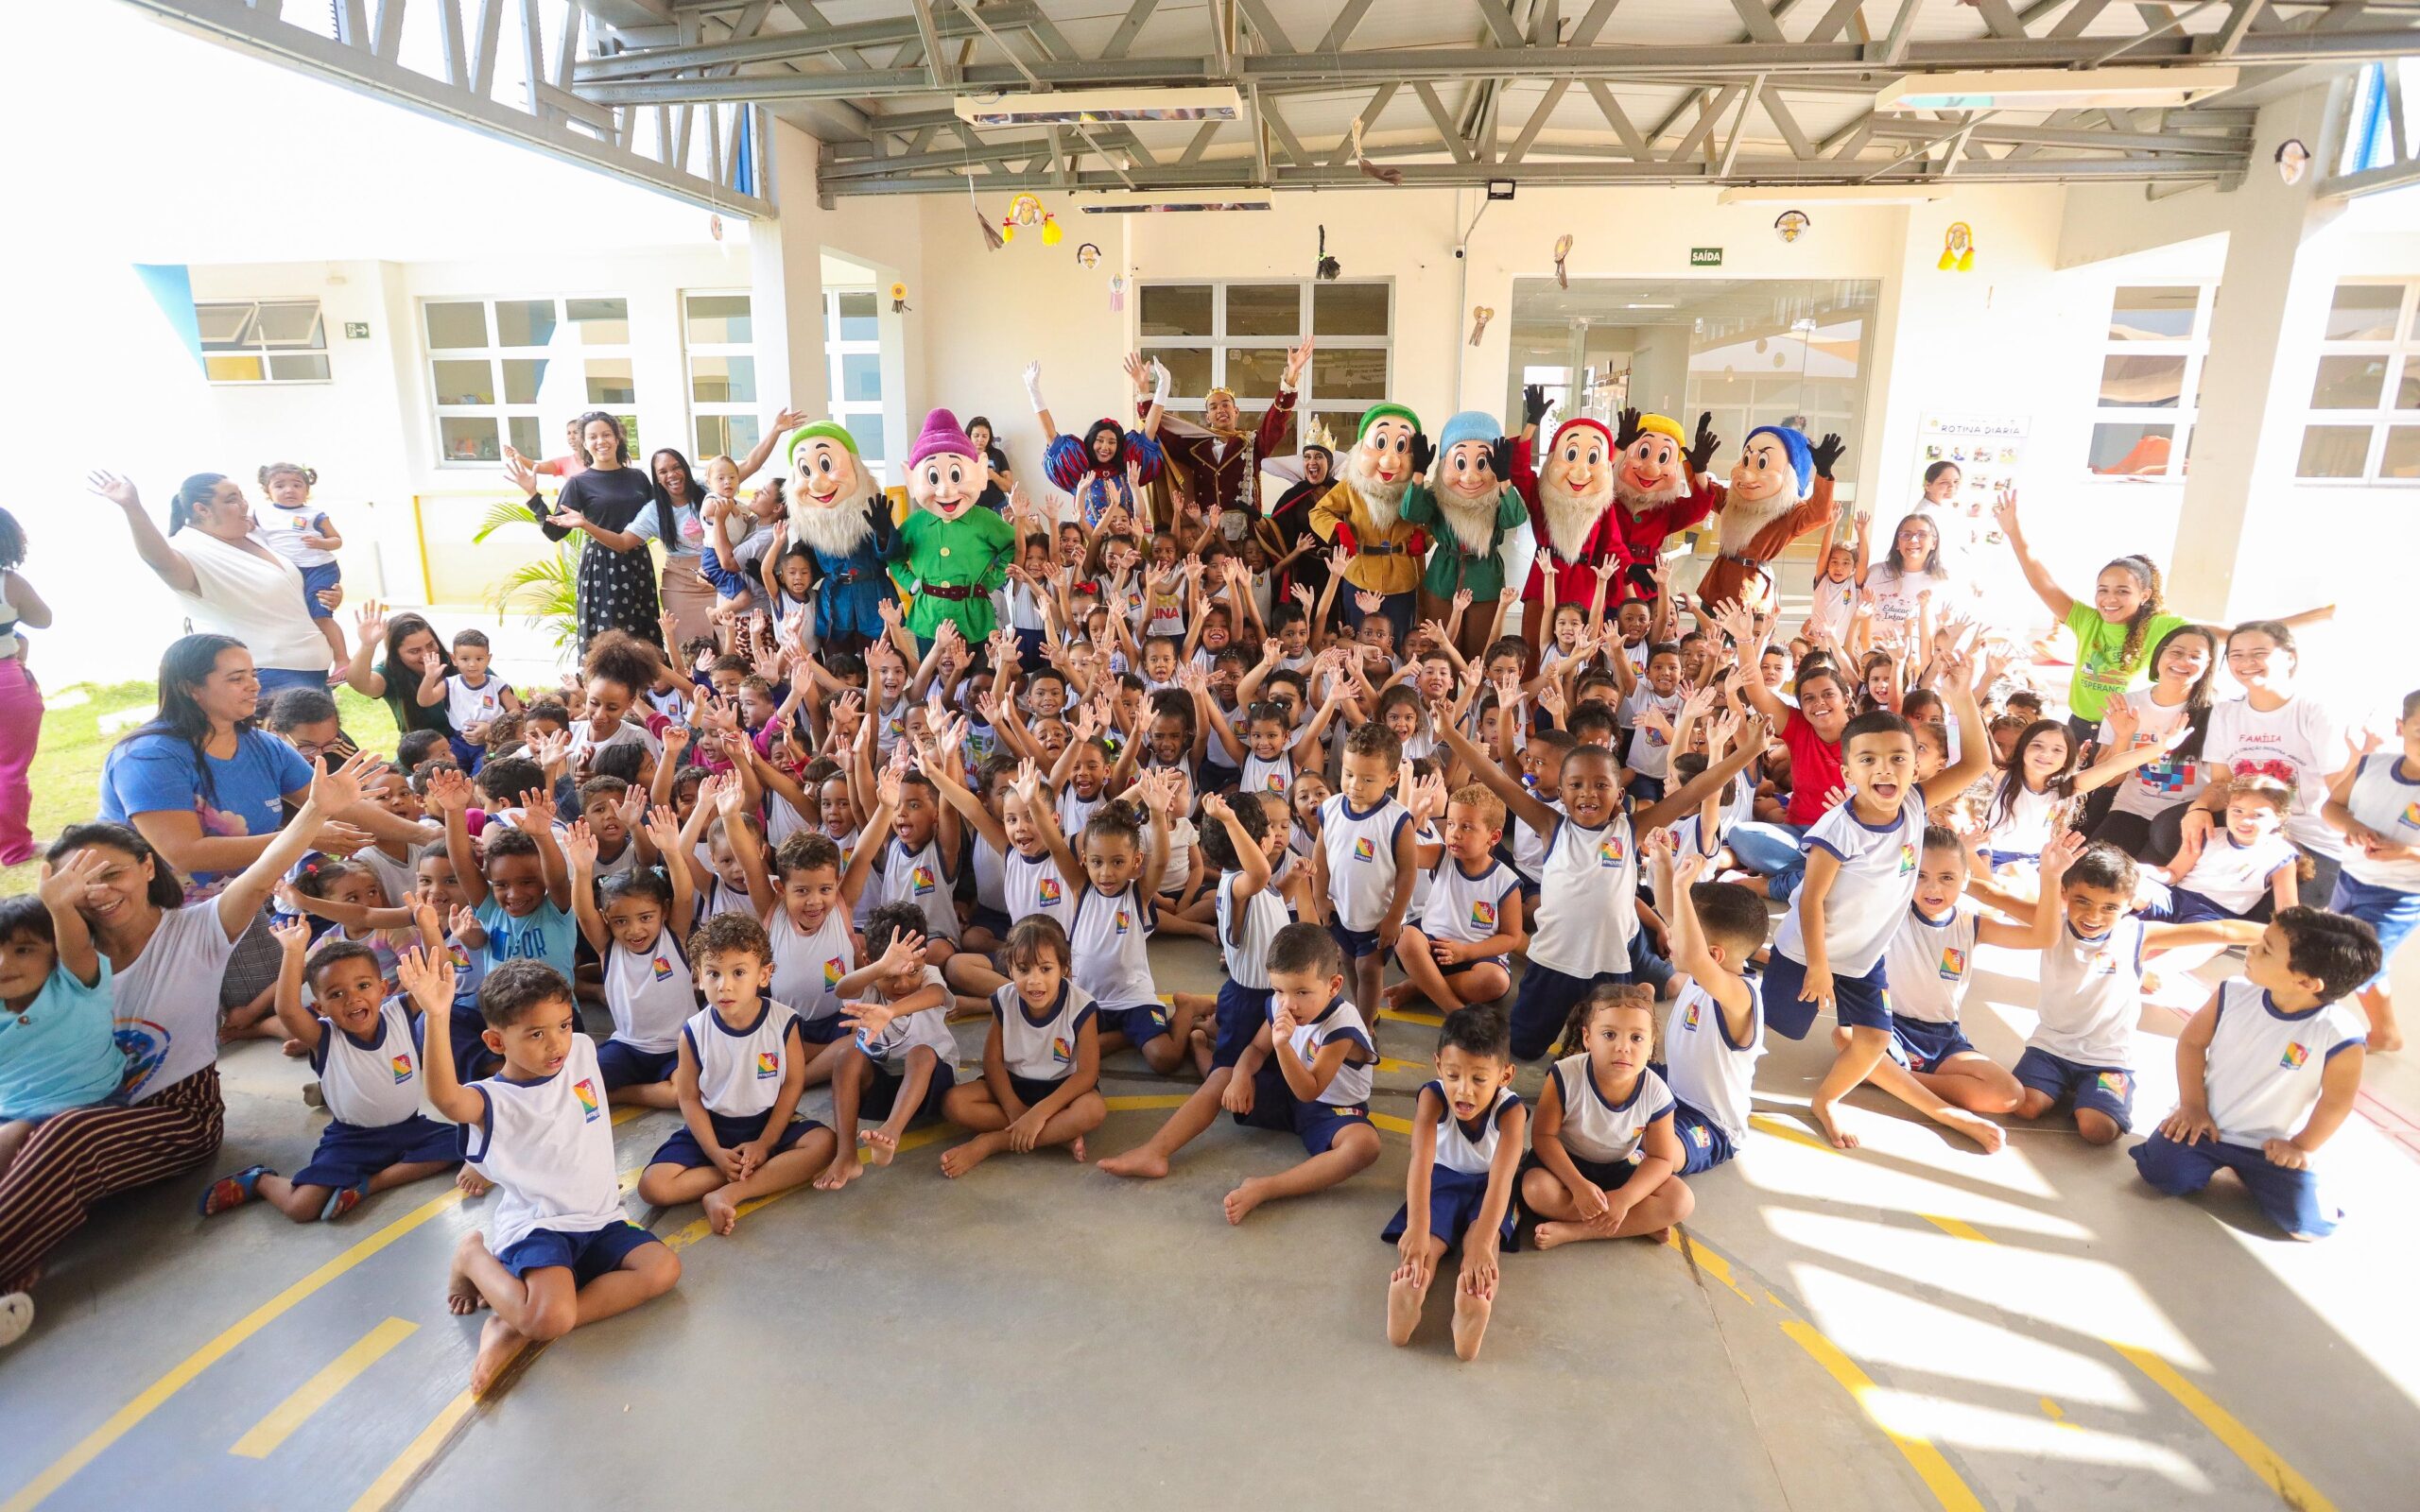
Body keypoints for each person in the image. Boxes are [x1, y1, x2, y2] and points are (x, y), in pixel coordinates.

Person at [0, 756, 372, 1343]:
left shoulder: (197, 930)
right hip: (70, 1109)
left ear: (148, 866)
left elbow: (262, 870)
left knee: (63, 1134)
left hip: (175, 1116)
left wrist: (316, 814)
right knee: (26, 1130)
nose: (98, 892)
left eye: (112, 873)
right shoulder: (54, 953)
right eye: (80, 880)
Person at [398, 951, 681, 1397]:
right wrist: (436, 1016)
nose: (557, 1045)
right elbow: (446, 1099)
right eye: (536, 1034)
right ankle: (472, 1256)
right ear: (496, 1042)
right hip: (542, 1226)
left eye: (564, 1025)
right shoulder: (492, 1100)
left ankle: (514, 1327)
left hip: (601, 1217)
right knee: (551, 1319)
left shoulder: (582, 1052)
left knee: (663, 1270)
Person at [1762, 661, 1996, 1153]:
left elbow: (1976, 763)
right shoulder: (1837, 829)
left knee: (1871, 1038)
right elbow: (1811, 899)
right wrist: (1819, 968)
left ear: (1918, 766)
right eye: (1867, 761)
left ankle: (1826, 1101)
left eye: (1897, 759)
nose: (1884, 770)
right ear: (1847, 773)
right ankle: (1724, 991)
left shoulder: (1913, 804)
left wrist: (1963, 696)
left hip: (1864, 959)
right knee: (1772, 1024)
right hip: (1809, 952)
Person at [1991, 489, 2330, 746]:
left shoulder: (2160, 627)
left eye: (2123, 591)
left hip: (2130, 727)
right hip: (2079, 725)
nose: (2110, 599)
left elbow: (2234, 632)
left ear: (2145, 596)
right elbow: (2041, 581)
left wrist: (2317, 617)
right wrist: (2013, 532)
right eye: (2103, 589)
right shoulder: (2086, 619)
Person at [2134, 907, 2379, 1239]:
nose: (2251, 950)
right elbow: (2191, 1044)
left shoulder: (2340, 1033)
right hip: (2206, 1126)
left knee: (2305, 1227)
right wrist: (2192, 1106)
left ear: (2306, 981)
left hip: (2273, 1146)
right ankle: (2222, 1163)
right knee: (2161, 1173)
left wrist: (2303, 1146)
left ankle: (2270, 1178)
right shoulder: (2231, 992)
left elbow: (2337, 1102)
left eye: (2266, 949)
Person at [198, 919, 461, 1223]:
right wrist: (293, 952)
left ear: (382, 988)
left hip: (409, 1127)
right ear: (320, 1007)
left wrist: (429, 927)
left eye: (363, 986)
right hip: (353, 1140)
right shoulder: (324, 1036)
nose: (352, 998)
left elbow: (440, 976)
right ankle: (260, 1180)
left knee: (466, 1143)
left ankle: (370, 1185)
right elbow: (287, 1011)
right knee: (302, 1208)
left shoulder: (399, 1011)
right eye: (336, 994)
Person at [2013, 839, 2260, 1145]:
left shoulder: (2137, 935)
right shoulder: (2051, 922)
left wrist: (2289, 932)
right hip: (2049, 1047)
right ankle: (2066, 1088)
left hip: (2108, 1058)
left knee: (2097, 1130)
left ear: (2130, 904)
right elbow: (1994, 894)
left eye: (2110, 907)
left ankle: (2092, 1096)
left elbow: (2221, 931)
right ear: (2065, 894)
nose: (2094, 915)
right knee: (2024, 1107)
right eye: (2083, 901)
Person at [633, 911, 836, 1236]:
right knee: (653, 1187)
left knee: (825, 1144)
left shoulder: (784, 1022)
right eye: (713, 974)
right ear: (698, 976)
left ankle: (729, 1192)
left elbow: (793, 1084)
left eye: (739, 972)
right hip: (713, 1126)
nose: (724, 986)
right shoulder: (693, 1033)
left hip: (769, 1122)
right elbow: (688, 1097)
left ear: (764, 975)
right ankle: (749, 1171)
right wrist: (715, 1154)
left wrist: (766, 1142)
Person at [91, 470, 340, 693]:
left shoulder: (253, 534)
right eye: (231, 499)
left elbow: (288, 592)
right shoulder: (190, 549)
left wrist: (325, 597)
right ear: (202, 509)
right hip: (262, 680)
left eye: (241, 496)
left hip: (313, 674)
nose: (243, 505)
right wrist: (133, 508)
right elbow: (159, 560)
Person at [1384, 1005, 1525, 1362]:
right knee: (1426, 1243)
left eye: (1479, 1079)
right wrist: (1416, 1227)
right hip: (1441, 1178)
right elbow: (1420, 1162)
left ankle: (1473, 1302)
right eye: (1453, 1075)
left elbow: (1502, 1178)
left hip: (1489, 1186)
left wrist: (1479, 1243)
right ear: (1437, 1067)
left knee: (1485, 1250)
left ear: (1505, 1075)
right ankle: (1412, 1290)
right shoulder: (1432, 1098)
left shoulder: (1512, 1112)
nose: (1464, 1091)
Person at [1217, 922, 1383, 1225]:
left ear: (1333, 986)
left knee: (1365, 1145)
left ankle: (1266, 1188)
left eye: (1302, 992)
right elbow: (1256, 1049)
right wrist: (1241, 1075)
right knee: (1226, 1083)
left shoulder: (1341, 1026)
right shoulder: (1281, 1004)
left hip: (1332, 1109)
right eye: (1279, 990)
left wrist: (1281, 1047)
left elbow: (1311, 1089)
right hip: (1290, 1092)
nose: (1288, 1003)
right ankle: (1199, 1046)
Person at [2187, 621, 2359, 903]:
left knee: (2283, 916)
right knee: (2170, 829)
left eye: (2259, 653)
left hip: (2308, 839)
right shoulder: (2226, 712)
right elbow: (2222, 784)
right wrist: (2200, 807)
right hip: (2248, 828)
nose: (2247, 662)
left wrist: (2358, 758)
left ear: (2290, 657)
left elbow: (2339, 792)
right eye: (2236, 655)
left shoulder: (2315, 711)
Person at [1520, 983, 1694, 1249]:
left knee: (1680, 1199)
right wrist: (1577, 1186)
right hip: (1566, 1166)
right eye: (1609, 1034)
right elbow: (1543, 1136)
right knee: (1535, 1190)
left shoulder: (1656, 1091)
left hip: (1620, 1169)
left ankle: (1576, 1232)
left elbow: (1660, 1158)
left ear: (1650, 1046)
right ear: (1588, 1038)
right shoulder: (1565, 1075)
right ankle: (1634, 1223)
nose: (1622, 1047)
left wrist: (1624, 1199)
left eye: (1636, 1038)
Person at [935, 916, 1109, 1178]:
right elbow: (992, 1062)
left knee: (1093, 1110)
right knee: (954, 1103)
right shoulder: (1004, 999)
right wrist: (1015, 1109)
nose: (1034, 981)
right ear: (1009, 968)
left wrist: (1039, 1113)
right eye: (1024, 969)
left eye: (1045, 969)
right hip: (1013, 1086)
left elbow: (1087, 1074)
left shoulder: (1081, 1006)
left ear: (1065, 968)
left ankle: (992, 1143)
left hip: (1063, 1091)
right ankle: (1057, 1135)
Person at [1649, 834, 1770, 1171]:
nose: (1669, 936)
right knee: (1601, 1067)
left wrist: (1684, 886)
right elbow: (1673, 915)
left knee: (1662, 1152)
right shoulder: (1706, 969)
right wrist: (1663, 863)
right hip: (1670, 1085)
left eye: (1677, 934)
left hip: (1709, 1123)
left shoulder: (1738, 995)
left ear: (1714, 955)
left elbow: (1690, 951)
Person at [508, 411, 667, 658]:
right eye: (593, 437)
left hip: (638, 562)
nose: (600, 441)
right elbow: (554, 533)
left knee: (644, 639)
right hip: (602, 566)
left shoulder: (638, 478)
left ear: (617, 438)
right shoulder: (578, 483)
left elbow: (660, 517)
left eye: (606, 435)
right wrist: (532, 495)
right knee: (610, 640)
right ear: (584, 443)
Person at [0, 854, 120, 1177]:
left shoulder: (75, 986)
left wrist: (59, 907)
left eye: (23, 950)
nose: (3, 964)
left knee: (9, 1138)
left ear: (54, 954)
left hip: (81, 1110)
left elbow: (77, 948)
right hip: (10, 1113)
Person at [564, 812, 696, 1108]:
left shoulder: (672, 936)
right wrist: (582, 869)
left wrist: (673, 852)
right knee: (578, 1091)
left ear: (663, 911)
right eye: (621, 921)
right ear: (607, 920)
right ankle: (639, 1089)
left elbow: (685, 897)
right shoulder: (608, 947)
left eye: (645, 917)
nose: (635, 930)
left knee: (681, 1095)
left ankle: (621, 1094)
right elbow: (584, 914)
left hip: (679, 1047)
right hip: (628, 1046)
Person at [820, 903, 954, 1190]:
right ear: (870, 961)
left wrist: (891, 1012)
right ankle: (847, 1154)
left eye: (912, 972)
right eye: (891, 976)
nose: (903, 983)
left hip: (930, 1088)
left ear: (923, 959)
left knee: (921, 1053)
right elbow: (842, 989)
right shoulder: (870, 981)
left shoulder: (930, 975)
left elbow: (936, 995)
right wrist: (880, 968)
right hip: (882, 1092)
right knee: (847, 1056)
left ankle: (891, 1132)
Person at [2321, 687, 2420, 1052]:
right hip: (2349, 878)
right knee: (2347, 952)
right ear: (2401, 727)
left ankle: (2381, 1032)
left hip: (2402, 894)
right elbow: (2332, 807)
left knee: (2361, 959)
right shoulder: (2371, 766)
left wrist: (2408, 852)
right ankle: (2386, 1032)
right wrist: (2352, 827)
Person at [1311, 724, 1418, 1024]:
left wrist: (1394, 917)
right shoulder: (1331, 808)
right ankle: (1362, 1012)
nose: (1355, 785)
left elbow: (1408, 872)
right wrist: (1320, 897)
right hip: (1342, 911)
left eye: (1368, 779)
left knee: (1369, 970)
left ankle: (1366, 1028)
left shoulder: (1397, 819)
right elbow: (1320, 856)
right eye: (1348, 774)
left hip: (1377, 920)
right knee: (1347, 960)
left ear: (1392, 778)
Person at [1388, 782, 1524, 1014]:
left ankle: (1420, 987)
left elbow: (1511, 937)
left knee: (1497, 981)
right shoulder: (1442, 856)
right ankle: (1454, 1010)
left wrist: (1466, 952)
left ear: (1494, 836)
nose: (1455, 833)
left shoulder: (1505, 881)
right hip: (1433, 951)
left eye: (1467, 827)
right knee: (1405, 937)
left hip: (1476, 957)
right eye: (1451, 824)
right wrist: (1415, 813)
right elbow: (1402, 851)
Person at [1149, 342, 1307, 524]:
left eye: (1226, 404)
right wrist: (1147, 394)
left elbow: (1276, 422)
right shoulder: (1194, 447)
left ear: (1236, 411)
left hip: (1245, 529)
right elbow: (1158, 433)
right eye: (1214, 407)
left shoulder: (1252, 443)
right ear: (1207, 417)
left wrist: (1290, 378)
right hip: (1206, 529)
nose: (1221, 410)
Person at [1031, 355, 1167, 529]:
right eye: (1100, 440)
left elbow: (1149, 432)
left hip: (1130, 545)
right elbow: (1051, 435)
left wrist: (1155, 388)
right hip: (1092, 546)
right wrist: (1033, 390)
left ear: (1119, 446)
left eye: (1111, 442)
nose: (1105, 447)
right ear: (1090, 442)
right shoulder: (1081, 475)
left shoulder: (1128, 474)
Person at [255, 461, 350, 673]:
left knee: (320, 615)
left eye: (297, 485)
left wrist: (321, 543)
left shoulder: (314, 514)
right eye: (280, 486)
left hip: (319, 569)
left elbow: (337, 540)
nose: (289, 490)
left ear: (307, 491)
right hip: (290, 572)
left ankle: (342, 660)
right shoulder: (261, 515)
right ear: (267, 491)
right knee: (300, 613)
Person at [0, 508, 53, 865]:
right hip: (7, 683)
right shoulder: (9, 582)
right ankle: (14, 847)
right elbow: (43, 619)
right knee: (9, 768)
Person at [345, 603, 462, 752]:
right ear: (397, 655)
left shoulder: (456, 662)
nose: (427, 655)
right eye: (414, 651)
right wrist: (368, 645)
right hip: (419, 754)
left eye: (430, 645)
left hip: (467, 747)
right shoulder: (390, 673)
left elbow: (499, 694)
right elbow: (359, 683)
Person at [964, 415, 1014, 516]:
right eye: (976, 435)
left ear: (989, 437)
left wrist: (993, 475)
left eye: (984, 436)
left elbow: (1009, 487)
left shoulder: (998, 454)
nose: (980, 439)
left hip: (998, 507)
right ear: (969, 435)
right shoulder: (962, 455)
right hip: (970, 508)